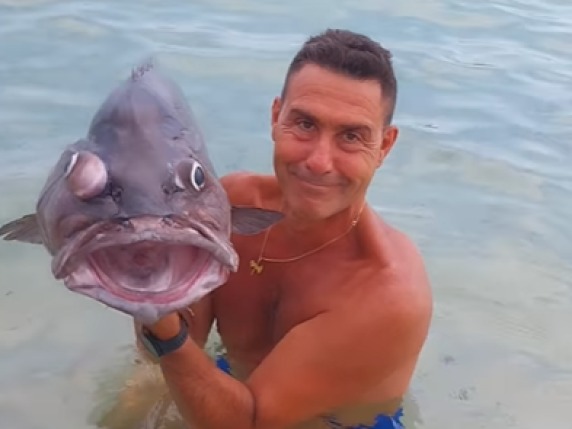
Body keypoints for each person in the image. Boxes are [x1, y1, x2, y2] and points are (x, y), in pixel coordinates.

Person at [135, 28, 433, 429]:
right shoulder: (233, 205)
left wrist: (163, 329)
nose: (319, 162)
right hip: (234, 390)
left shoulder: (387, 293)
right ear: (276, 117)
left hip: (333, 423)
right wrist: (145, 272)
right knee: (127, 406)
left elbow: (248, 424)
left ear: (384, 146)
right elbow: (167, 347)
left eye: (351, 136)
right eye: (305, 124)